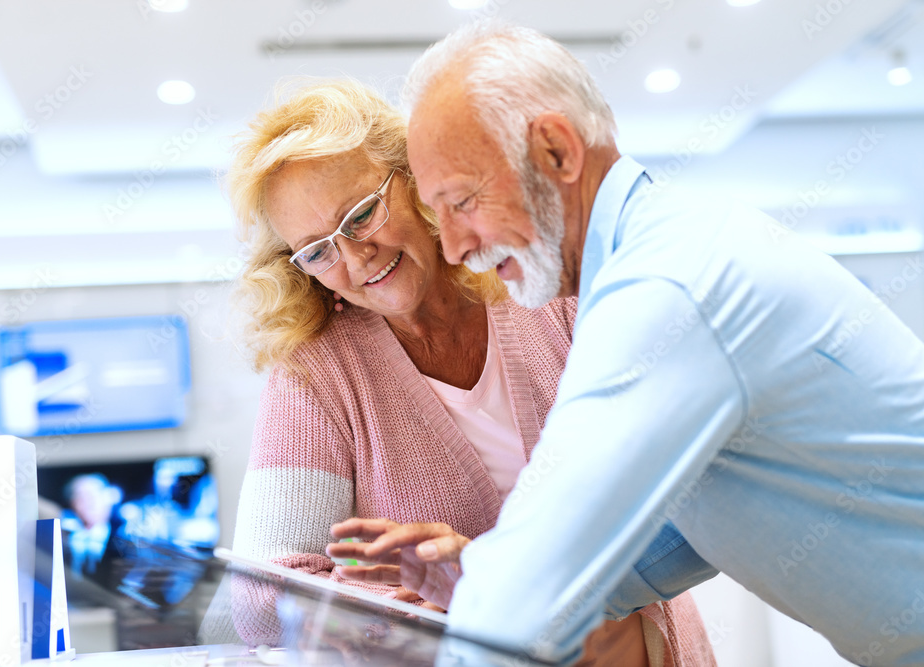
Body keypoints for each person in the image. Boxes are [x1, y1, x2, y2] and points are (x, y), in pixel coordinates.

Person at [333, 21, 924, 667]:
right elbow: (682, 528)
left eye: (463, 202)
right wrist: (479, 576)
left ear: (556, 151)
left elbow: (540, 567)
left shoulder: (667, 287)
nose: (453, 246)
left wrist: (509, 595)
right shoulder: (668, 255)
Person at [225, 78, 716, 665]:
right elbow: (261, 600)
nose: (356, 258)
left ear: (413, 181)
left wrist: (482, 574)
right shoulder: (317, 374)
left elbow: (675, 483)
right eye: (317, 250)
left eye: (360, 216)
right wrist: (420, 607)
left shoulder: (539, 286)